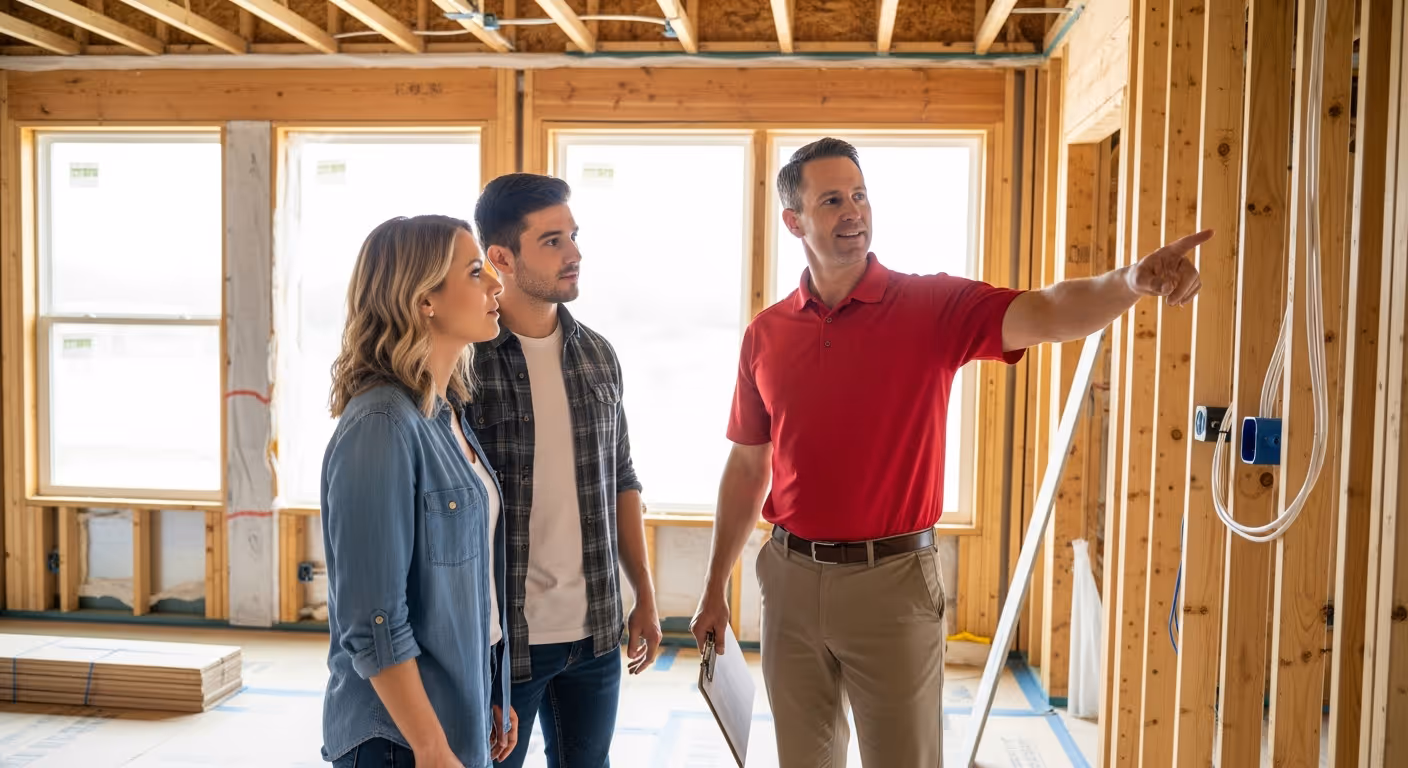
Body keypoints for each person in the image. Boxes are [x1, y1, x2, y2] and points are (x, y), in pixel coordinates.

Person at [689, 138, 1209, 767]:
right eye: (832, 200)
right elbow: (748, 467)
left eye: (859, 195)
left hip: (893, 584)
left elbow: (1046, 309)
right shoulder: (766, 334)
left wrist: (1131, 281)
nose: (853, 211)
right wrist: (715, 585)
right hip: (790, 579)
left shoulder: (929, 306)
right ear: (794, 221)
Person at [467, 173, 662, 768]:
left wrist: (645, 598)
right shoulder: (467, 364)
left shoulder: (598, 354)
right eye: (552, 240)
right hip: (503, 644)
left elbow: (622, 479)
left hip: (596, 634)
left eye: (573, 236)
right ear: (500, 258)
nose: (574, 253)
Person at [320, 214, 520, 768]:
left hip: (454, 719)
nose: (496, 284)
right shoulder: (381, 425)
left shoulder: (443, 414)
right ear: (423, 298)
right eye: (476, 272)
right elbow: (373, 619)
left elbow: (468, 582)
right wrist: (431, 747)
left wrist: (489, 696)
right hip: (398, 742)